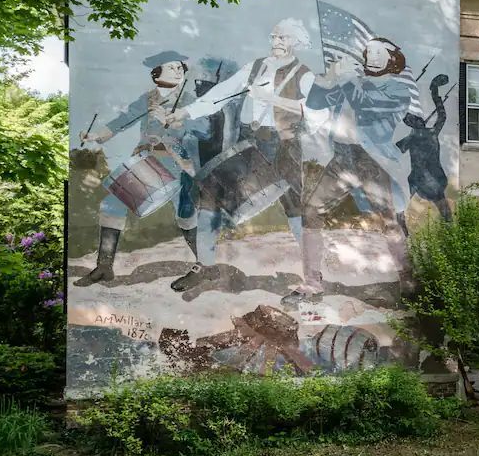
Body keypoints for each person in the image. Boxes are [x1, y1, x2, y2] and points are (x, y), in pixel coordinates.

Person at [166, 19, 315, 293]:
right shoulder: (256, 67)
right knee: (209, 187)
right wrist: (185, 112)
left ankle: (314, 278)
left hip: (284, 147)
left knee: (295, 209)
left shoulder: (304, 74)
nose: (276, 42)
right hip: (250, 145)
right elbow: (221, 93)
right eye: (273, 36)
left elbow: (315, 112)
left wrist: (272, 99)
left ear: (296, 42)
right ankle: (205, 266)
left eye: (283, 38)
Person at [297, 37, 414, 298]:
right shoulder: (355, 82)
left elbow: (366, 107)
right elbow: (316, 103)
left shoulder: (398, 90)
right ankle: (312, 282)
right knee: (311, 210)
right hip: (342, 157)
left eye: (378, 52)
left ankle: (408, 277)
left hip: (373, 161)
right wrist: (327, 78)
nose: (371, 56)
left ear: (392, 59)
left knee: (389, 220)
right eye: (368, 51)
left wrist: (347, 80)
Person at [75, 53, 199, 287]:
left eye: (179, 67)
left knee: (186, 215)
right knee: (112, 204)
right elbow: (121, 122)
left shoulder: (190, 100)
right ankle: (104, 267)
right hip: (147, 162)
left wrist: (173, 121)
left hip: (180, 164)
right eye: (171, 67)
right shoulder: (147, 99)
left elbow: (201, 128)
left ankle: (203, 264)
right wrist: (95, 135)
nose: (178, 70)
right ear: (156, 73)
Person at [395, 73, 453, 221]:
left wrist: (434, 90)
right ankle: (401, 219)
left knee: (443, 209)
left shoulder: (415, 137)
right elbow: (442, 116)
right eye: (413, 119)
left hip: (425, 181)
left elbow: (395, 150)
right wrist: (434, 91)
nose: (417, 119)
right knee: (443, 209)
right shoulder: (428, 133)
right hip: (429, 181)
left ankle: (400, 217)